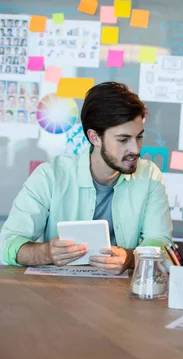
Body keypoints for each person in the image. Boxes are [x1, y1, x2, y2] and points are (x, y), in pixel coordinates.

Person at [0, 82, 173, 273]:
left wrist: (130, 258)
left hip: (121, 296)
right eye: (123, 140)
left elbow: (161, 242)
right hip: (58, 294)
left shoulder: (149, 176)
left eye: (139, 137)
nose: (135, 149)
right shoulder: (50, 176)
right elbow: (7, 245)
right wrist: (47, 253)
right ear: (94, 137)